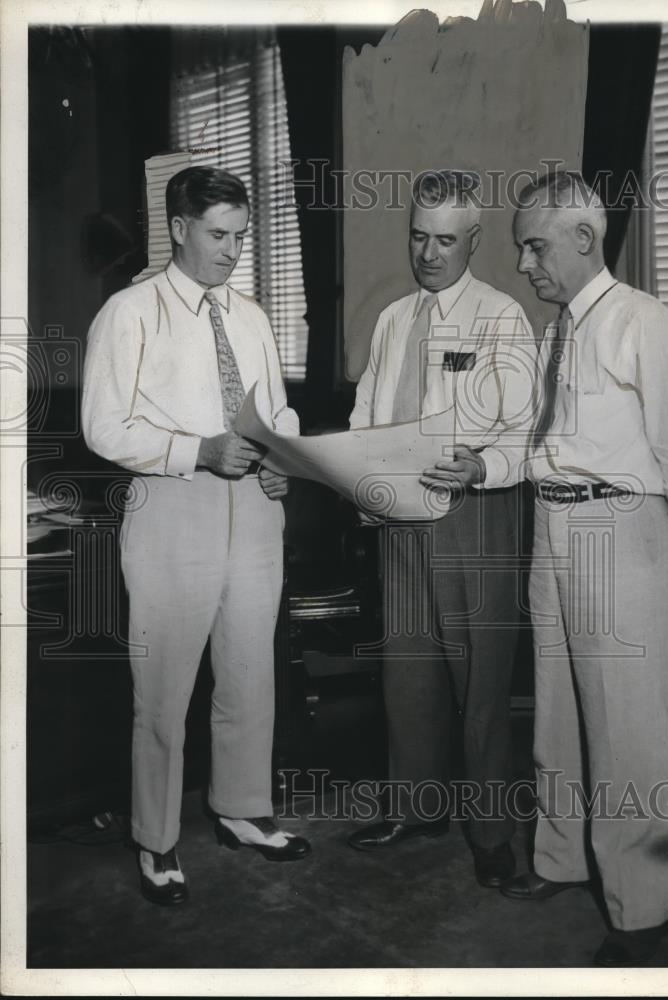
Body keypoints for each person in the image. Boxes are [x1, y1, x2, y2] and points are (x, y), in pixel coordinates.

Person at [502, 171, 668, 965]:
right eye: (521, 247)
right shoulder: (553, 330)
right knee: (556, 708)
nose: (525, 262)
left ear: (583, 238)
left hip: (615, 527)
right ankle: (560, 860)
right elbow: (538, 443)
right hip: (550, 522)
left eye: (534, 245)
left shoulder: (642, 323)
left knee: (625, 726)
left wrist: (645, 526)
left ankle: (640, 908)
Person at [82, 165, 310, 906]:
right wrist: (198, 450)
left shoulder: (248, 315)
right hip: (172, 509)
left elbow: (277, 414)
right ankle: (155, 839)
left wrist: (284, 461)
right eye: (219, 235)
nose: (232, 251)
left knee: (250, 674)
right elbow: (103, 427)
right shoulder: (130, 312)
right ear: (178, 228)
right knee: (164, 691)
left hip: (254, 514)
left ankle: (242, 810)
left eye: (242, 236)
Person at [347, 170, 536, 888]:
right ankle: (417, 806)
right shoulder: (395, 318)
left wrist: (481, 469)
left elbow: (524, 434)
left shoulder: (500, 318)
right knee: (408, 672)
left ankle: (492, 834)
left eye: (446, 241)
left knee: (480, 686)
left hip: (474, 517)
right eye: (418, 238)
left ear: (475, 242)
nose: (429, 254)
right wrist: (358, 481)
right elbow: (368, 415)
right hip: (398, 517)